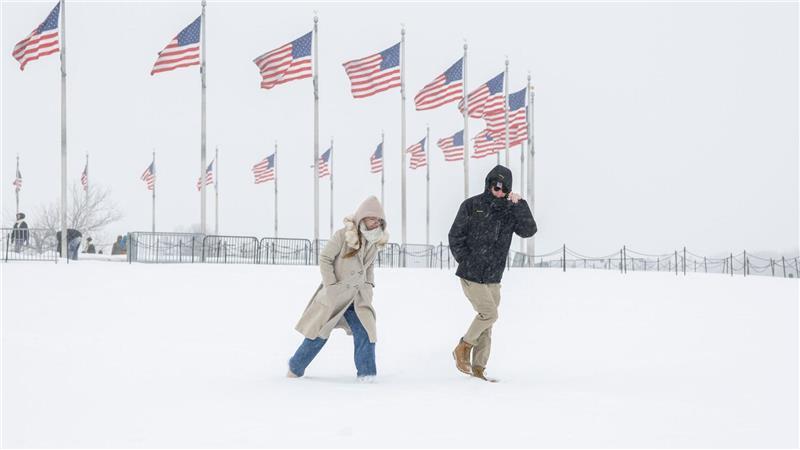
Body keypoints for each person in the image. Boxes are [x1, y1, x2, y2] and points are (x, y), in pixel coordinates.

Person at [448, 165, 537, 381]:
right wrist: (467, 260)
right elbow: (455, 236)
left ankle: (478, 369)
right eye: (495, 186)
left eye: (503, 189)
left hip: (494, 276)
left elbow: (529, 231)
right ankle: (463, 347)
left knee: (487, 323)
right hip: (471, 273)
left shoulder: (510, 209)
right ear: (489, 184)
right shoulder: (472, 205)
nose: (499, 191)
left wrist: (520, 206)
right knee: (489, 314)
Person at [289, 196, 389, 381]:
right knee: (318, 335)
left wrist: (369, 286)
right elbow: (325, 259)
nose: (376, 223)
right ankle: (295, 368)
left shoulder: (374, 241)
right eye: (372, 219)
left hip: (357, 299)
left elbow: (369, 268)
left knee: (367, 332)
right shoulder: (343, 236)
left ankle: (367, 375)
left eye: (379, 220)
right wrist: (332, 286)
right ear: (362, 218)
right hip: (336, 297)